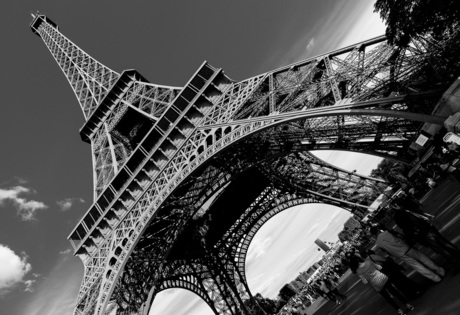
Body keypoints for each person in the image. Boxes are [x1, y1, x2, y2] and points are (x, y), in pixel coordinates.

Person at [393, 197, 460, 261]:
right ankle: (454, 256)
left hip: (425, 228)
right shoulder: (400, 214)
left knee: (440, 244)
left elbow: (418, 213)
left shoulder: (405, 209)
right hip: (423, 230)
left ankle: (454, 257)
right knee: (440, 244)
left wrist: (427, 217)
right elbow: (407, 224)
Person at [348, 254, 414, 315]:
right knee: (395, 292)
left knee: (388, 298)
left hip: (377, 285)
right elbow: (379, 267)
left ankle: (400, 311)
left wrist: (368, 277)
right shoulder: (368, 261)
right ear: (358, 259)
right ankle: (408, 305)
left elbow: (365, 282)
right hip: (383, 278)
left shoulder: (358, 271)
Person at [375, 230, 445, 282]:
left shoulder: (378, 243)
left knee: (418, 266)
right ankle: (440, 270)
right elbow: (399, 235)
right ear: (378, 230)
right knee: (423, 258)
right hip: (406, 247)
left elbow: (387, 252)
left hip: (400, 254)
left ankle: (435, 278)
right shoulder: (387, 232)